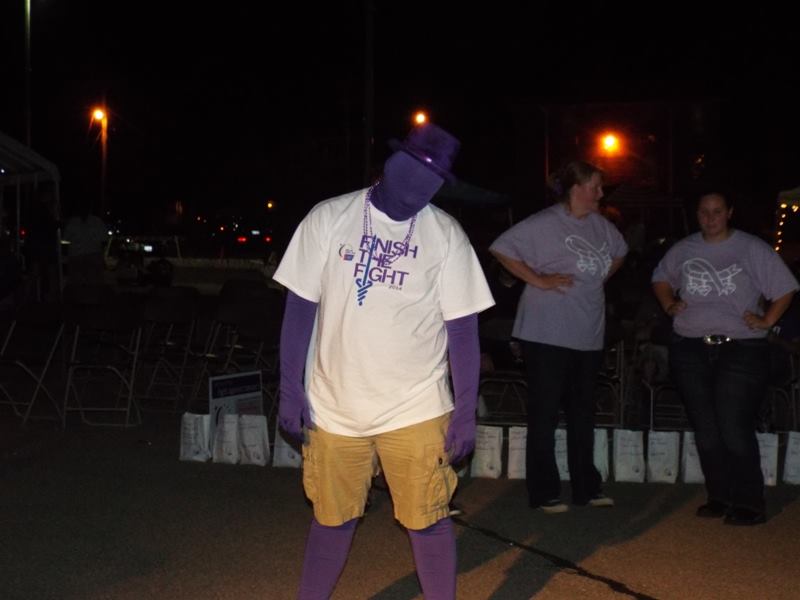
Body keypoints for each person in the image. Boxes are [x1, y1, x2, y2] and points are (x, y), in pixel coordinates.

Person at [273, 123, 495, 599]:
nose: (419, 187)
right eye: (414, 171)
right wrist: (289, 388)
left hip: (416, 407)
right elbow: (299, 309)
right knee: (332, 519)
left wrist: (464, 410)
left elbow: (463, 330)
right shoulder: (328, 217)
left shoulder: (446, 235)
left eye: (434, 180)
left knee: (427, 520)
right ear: (391, 165)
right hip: (334, 404)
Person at [651, 190, 798, 526]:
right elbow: (660, 278)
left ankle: (749, 501)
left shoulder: (750, 248)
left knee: (733, 424)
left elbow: (785, 287)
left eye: (717, 211)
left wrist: (767, 320)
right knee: (705, 427)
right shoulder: (684, 249)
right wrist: (668, 303)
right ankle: (719, 495)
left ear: (729, 212)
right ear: (697, 214)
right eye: (704, 212)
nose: (710, 218)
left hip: (740, 347)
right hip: (691, 346)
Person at [489, 160, 627, 513]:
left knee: (583, 411)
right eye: (595, 187)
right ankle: (544, 490)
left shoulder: (601, 226)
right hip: (546, 331)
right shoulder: (545, 223)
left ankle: (586, 487)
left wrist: (595, 279)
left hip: (587, 331)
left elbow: (620, 252)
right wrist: (538, 280)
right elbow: (501, 248)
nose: (600, 193)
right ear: (576, 189)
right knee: (546, 411)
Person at [62, 204, 108, 284]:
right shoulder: (97, 221)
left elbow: (65, 240)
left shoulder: (73, 222)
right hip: (85, 256)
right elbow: (104, 240)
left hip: (82, 256)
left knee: (86, 282)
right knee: (87, 281)